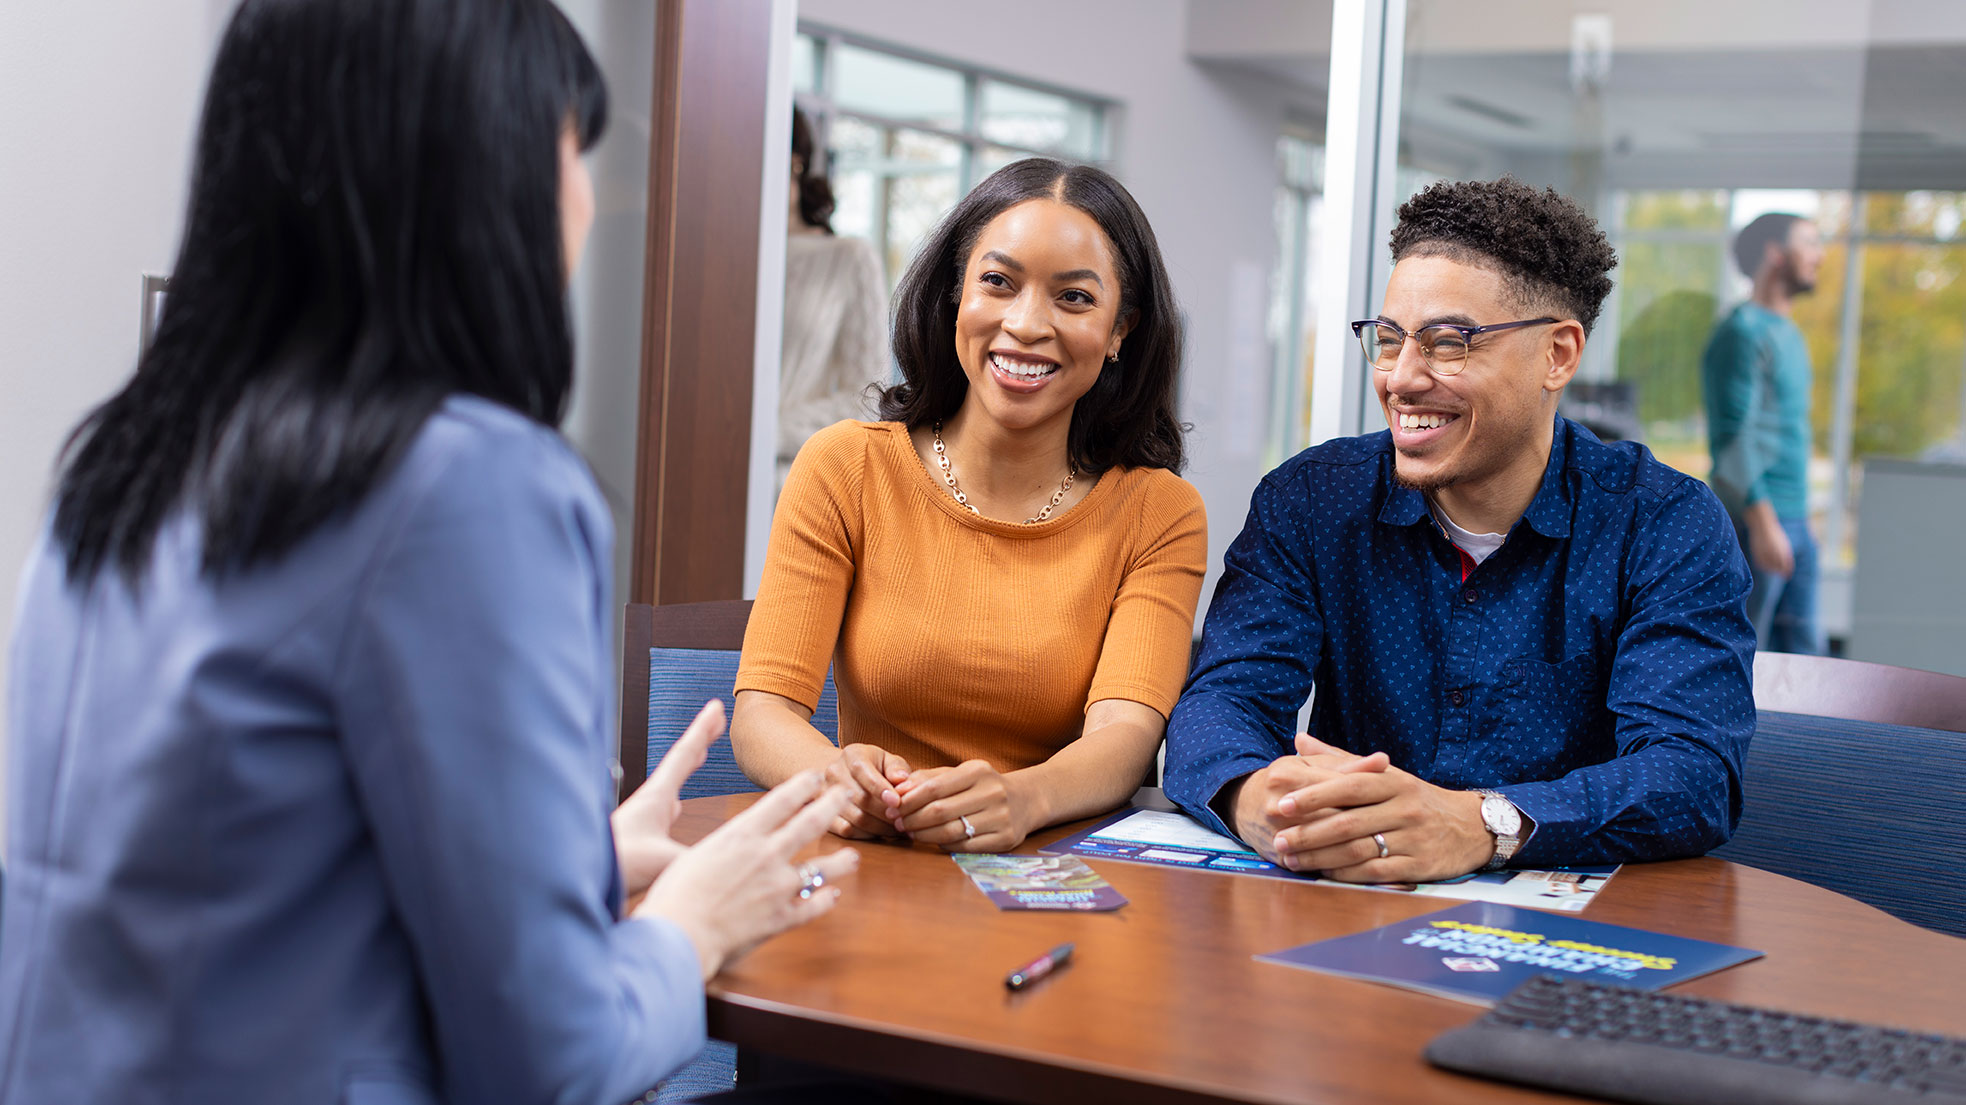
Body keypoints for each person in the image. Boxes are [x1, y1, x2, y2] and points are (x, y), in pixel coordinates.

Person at [0, 3, 856, 1102]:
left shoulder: (122, 461)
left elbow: (232, 883)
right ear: (486, 181)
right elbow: (551, 1056)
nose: (586, 200)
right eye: (571, 150)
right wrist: (691, 927)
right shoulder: (467, 484)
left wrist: (582, 863)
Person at [1163, 177, 1756, 882]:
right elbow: (1222, 701)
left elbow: (1692, 774)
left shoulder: (1663, 523)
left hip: (1568, 926)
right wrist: (1258, 799)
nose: (1401, 378)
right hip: (1346, 895)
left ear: (1558, 355)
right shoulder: (1312, 500)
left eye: (1448, 343)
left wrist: (1479, 823)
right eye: (1388, 340)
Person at [731, 158, 1207, 854]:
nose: (1027, 323)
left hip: (1045, 866)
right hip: (872, 855)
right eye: (998, 282)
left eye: (1074, 298)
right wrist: (834, 779)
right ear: (956, 293)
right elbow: (762, 713)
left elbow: (1125, 736)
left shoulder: (1159, 512)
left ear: (1119, 331)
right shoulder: (844, 467)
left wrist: (1023, 799)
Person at [1702, 212, 1827, 655]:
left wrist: (1799, 519)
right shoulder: (1741, 333)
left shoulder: (1789, 332)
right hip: (1755, 521)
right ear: (1775, 253)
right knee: (1741, 658)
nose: (1819, 255)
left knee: (1806, 657)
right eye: (1809, 243)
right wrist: (1764, 523)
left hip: (1795, 518)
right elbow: (1732, 438)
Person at [778, 106, 887, 489]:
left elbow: (868, 399)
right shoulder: (717, 256)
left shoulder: (848, 257)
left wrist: (767, 430)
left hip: (789, 482)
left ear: (795, 161)